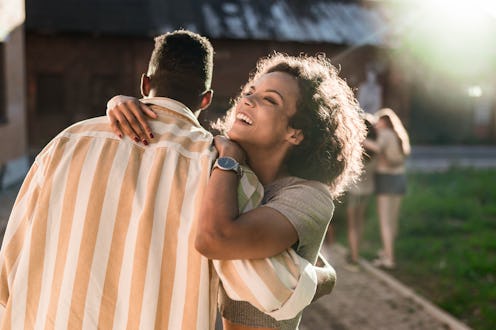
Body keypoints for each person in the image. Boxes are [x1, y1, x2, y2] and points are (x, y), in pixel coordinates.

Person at [112, 53, 367, 329]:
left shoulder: (309, 196)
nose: (247, 100)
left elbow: (215, 239)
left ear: (295, 133)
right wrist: (118, 104)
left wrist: (230, 159)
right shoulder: (223, 168)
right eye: (250, 92)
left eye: (270, 100)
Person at [0, 30, 218, 329]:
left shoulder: (68, 142)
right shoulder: (216, 166)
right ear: (206, 99)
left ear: (144, 83)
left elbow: (12, 256)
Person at [365, 108, 410, 269]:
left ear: (385, 122)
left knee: (385, 222)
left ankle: (389, 259)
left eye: (379, 121)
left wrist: (360, 139)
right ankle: (387, 251)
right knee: (392, 219)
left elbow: (377, 148)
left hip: (385, 179)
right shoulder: (398, 136)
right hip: (399, 178)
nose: (376, 124)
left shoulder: (384, 134)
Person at [345, 113, 378, 271]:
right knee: (360, 223)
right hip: (368, 190)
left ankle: (354, 257)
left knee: (353, 225)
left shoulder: (357, 147)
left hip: (354, 192)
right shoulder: (375, 149)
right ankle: (356, 253)